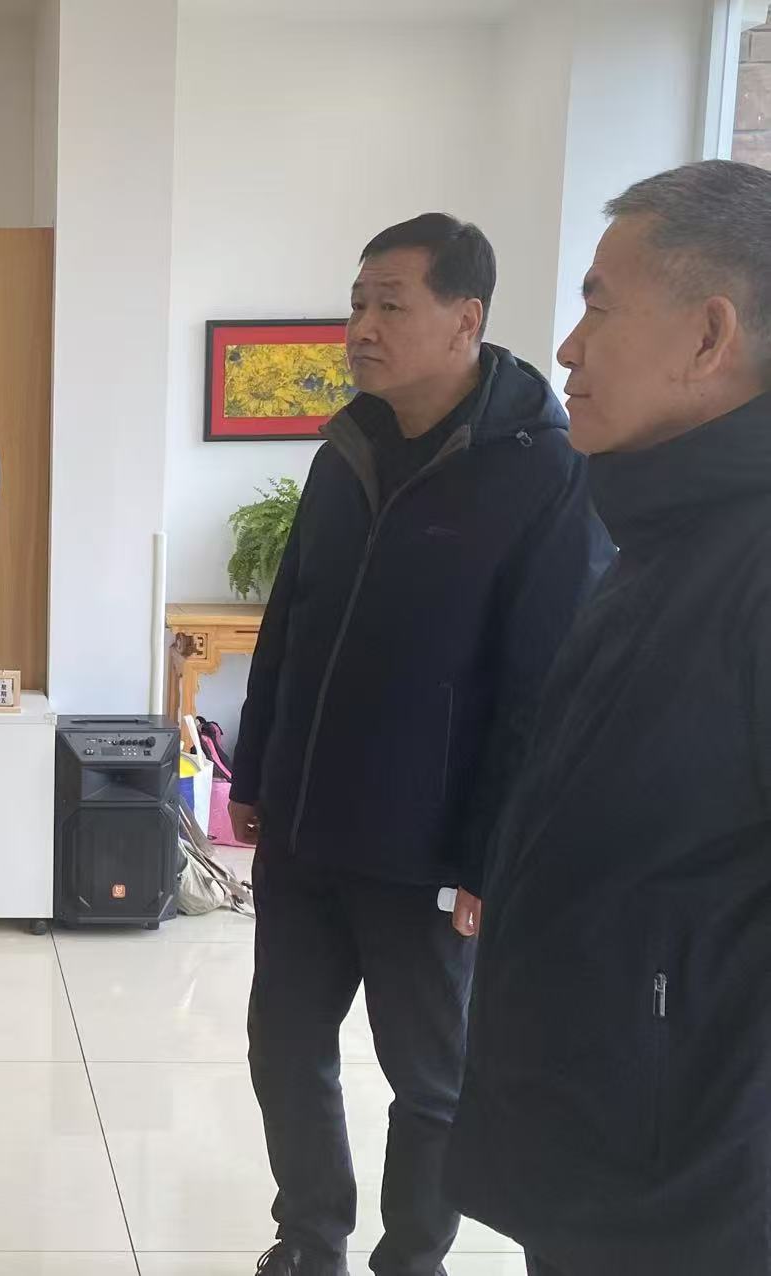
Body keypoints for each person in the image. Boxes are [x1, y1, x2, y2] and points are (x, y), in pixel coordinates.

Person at [228, 215, 612, 1276]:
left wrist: (491, 852)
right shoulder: (345, 448)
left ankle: (411, 1257)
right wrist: (253, 770)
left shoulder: (544, 470)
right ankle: (309, 1238)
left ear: (464, 318)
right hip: (305, 827)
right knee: (283, 1046)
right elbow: (290, 620)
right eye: (357, 303)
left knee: (429, 1079)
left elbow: (540, 686)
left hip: (427, 848)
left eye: (389, 304)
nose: (361, 325)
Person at [445, 159, 771, 1276]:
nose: (569, 347)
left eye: (598, 306)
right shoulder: (661, 540)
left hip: (693, 1188)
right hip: (609, 1147)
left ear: (708, 335)